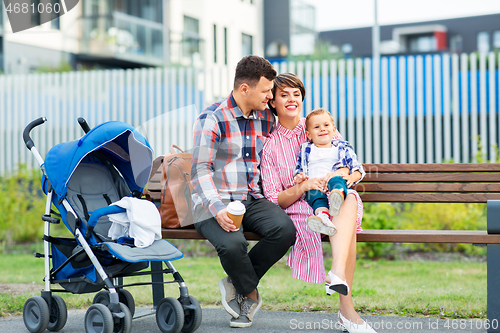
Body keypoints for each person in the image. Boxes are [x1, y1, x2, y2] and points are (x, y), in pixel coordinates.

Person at [261, 73, 376, 333]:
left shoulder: (318, 123)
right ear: (273, 102)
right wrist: (302, 186)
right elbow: (274, 198)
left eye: (296, 94)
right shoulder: (270, 146)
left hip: (336, 197)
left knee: (349, 200)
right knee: (345, 216)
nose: (292, 100)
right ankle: (348, 312)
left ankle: (337, 276)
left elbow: (350, 165)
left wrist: (344, 175)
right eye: (284, 95)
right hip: (302, 207)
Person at [191, 56, 296, 328]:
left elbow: (297, 131)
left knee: (285, 230)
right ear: (245, 90)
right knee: (233, 244)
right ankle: (248, 294)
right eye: (266, 91)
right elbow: (200, 170)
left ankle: (235, 282)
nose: (270, 96)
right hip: (212, 200)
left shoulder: (265, 117)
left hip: (251, 198)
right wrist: (217, 209)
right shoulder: (212, 118)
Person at [293, 108, 365, 246]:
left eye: (326, 125)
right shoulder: (306, 149)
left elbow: (358, 169)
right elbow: (299, 169)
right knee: (314, 196)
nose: (322, 129)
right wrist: (299, 177)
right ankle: (323, 218)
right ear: (308, 134)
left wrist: (351, 178)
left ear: (334, 129)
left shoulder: (342, 148)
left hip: (334, 181)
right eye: (316, 127)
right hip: (315, 185)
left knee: (337, 179)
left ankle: (337, 196)